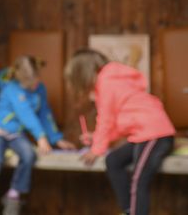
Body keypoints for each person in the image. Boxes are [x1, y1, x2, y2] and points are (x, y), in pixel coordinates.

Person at [64, 49, 176, 215]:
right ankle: (129, 210)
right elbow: (116, 124)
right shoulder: (110, 81)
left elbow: (106, 120)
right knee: (113, 160)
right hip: (143, 135)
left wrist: (96, 149)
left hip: (155, 135)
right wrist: (96, 138)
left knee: (139, 180)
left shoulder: (107, 82)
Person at [0, 56, 75, 215]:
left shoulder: (40, 89)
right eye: (29, 84)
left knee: (29, 155)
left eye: (36, 80)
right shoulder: (11, 88)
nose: (34, 85)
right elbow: (26, 114)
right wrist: (41, 137)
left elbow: (45, 114)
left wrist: (56, 138)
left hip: (15, 133)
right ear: (19, 79)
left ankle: (14, 194)